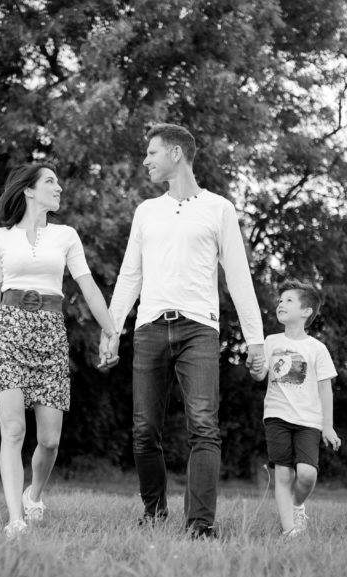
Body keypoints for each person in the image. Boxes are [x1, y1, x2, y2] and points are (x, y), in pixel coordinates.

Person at [103, 123, 266, 538]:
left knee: (204, 427)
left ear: (176, 153)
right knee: (144, 430)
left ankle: (200, 525)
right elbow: (129, 276)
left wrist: (256, 340)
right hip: (150, 328)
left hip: (199, 330)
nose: (146, 160)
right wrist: (111, 328)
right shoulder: (146, 211)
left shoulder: (219, 209)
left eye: (152, 153)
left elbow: (239, 278)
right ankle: (154, 511)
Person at [0, 162, 119, 539]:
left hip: (50, 335)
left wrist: (111, 329)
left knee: (50, 440)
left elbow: (88, 287)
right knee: (14, 429)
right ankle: (15, 519)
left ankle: (33, 494)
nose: (59, 188)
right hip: (7, 331)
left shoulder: (66, 235)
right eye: (50, 182)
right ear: (29, 190)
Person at [250, 279, 340, 538]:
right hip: (276, 417)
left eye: (288, 300)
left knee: (307, 475)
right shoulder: (271, 341)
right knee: (283, 475)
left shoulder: (317, 349)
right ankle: (290, 531)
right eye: (280, 301)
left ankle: (298, 504)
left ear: (306, 311)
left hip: (308, 421)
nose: (281, 304)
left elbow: (325, 389)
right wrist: (255, 368)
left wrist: (328, 425)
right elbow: (260, 375)